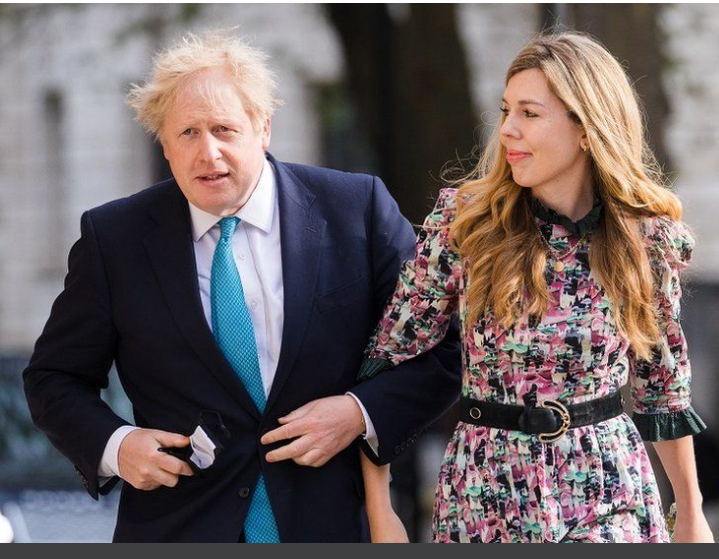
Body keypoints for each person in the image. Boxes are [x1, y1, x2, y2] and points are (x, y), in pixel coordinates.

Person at [22, 30, 461, 543]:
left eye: (224, 129)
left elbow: (446, 348)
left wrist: (356, 414)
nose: (208, 153)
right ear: (164, 145)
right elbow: (54, 378)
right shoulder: (114, 239)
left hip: (331, 522)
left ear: (263, 127)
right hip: (178, 527)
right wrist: (117, 446)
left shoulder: (356, 210)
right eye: (187, 133)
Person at [356, 32, 715, 543]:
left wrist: (692, 513)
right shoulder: (465, 225)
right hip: (485, 491)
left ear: (586, 128)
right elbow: (391, 354)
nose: (507, 130)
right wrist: (380, 507)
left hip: (608, 486)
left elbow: (662, 385)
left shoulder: (647, 239)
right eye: (506, 111)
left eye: (529, 113)